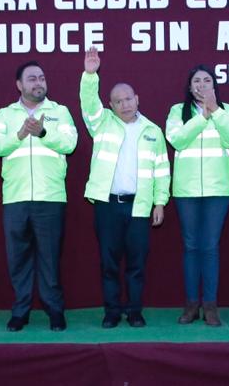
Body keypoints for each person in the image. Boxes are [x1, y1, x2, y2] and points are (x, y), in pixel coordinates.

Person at [79, 48, 170, 329]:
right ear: (111, 105)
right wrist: (90, 75)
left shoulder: (153, 131)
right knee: (108, 263)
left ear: (137, 99)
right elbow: (88, 102)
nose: (124, 104)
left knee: (136, 264)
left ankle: (134, 311)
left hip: (139, 206)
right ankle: (111, 312)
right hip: (107, 205)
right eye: (118, 101)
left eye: (128, 99)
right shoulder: (102, 123)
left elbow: (162, 171)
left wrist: (160, 202)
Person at [0, 60, 78, 332]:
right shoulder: (5, 114)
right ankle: (20, 311)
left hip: (51, 197)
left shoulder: (59, 111)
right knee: (18, 259)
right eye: (32, 79)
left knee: (50, 258)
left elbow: (69, 143)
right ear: (19, 85)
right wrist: (19, 135)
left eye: (41, 78)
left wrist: (43, 133)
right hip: (15, 197)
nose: (38, 83)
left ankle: (55, 311)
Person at [165, 65, 229, 327]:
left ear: (214, 85)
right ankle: (191, 305)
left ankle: (210, 305)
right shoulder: (178, 111)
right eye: (196, 81)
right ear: (189, 87)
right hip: (186, 190)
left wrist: (215, 111)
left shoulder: (227, 110)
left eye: (207, 80)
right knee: (190, 246)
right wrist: (201, 118)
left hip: (218, 190)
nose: (202, 85)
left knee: (209, 247)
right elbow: (177, 140)